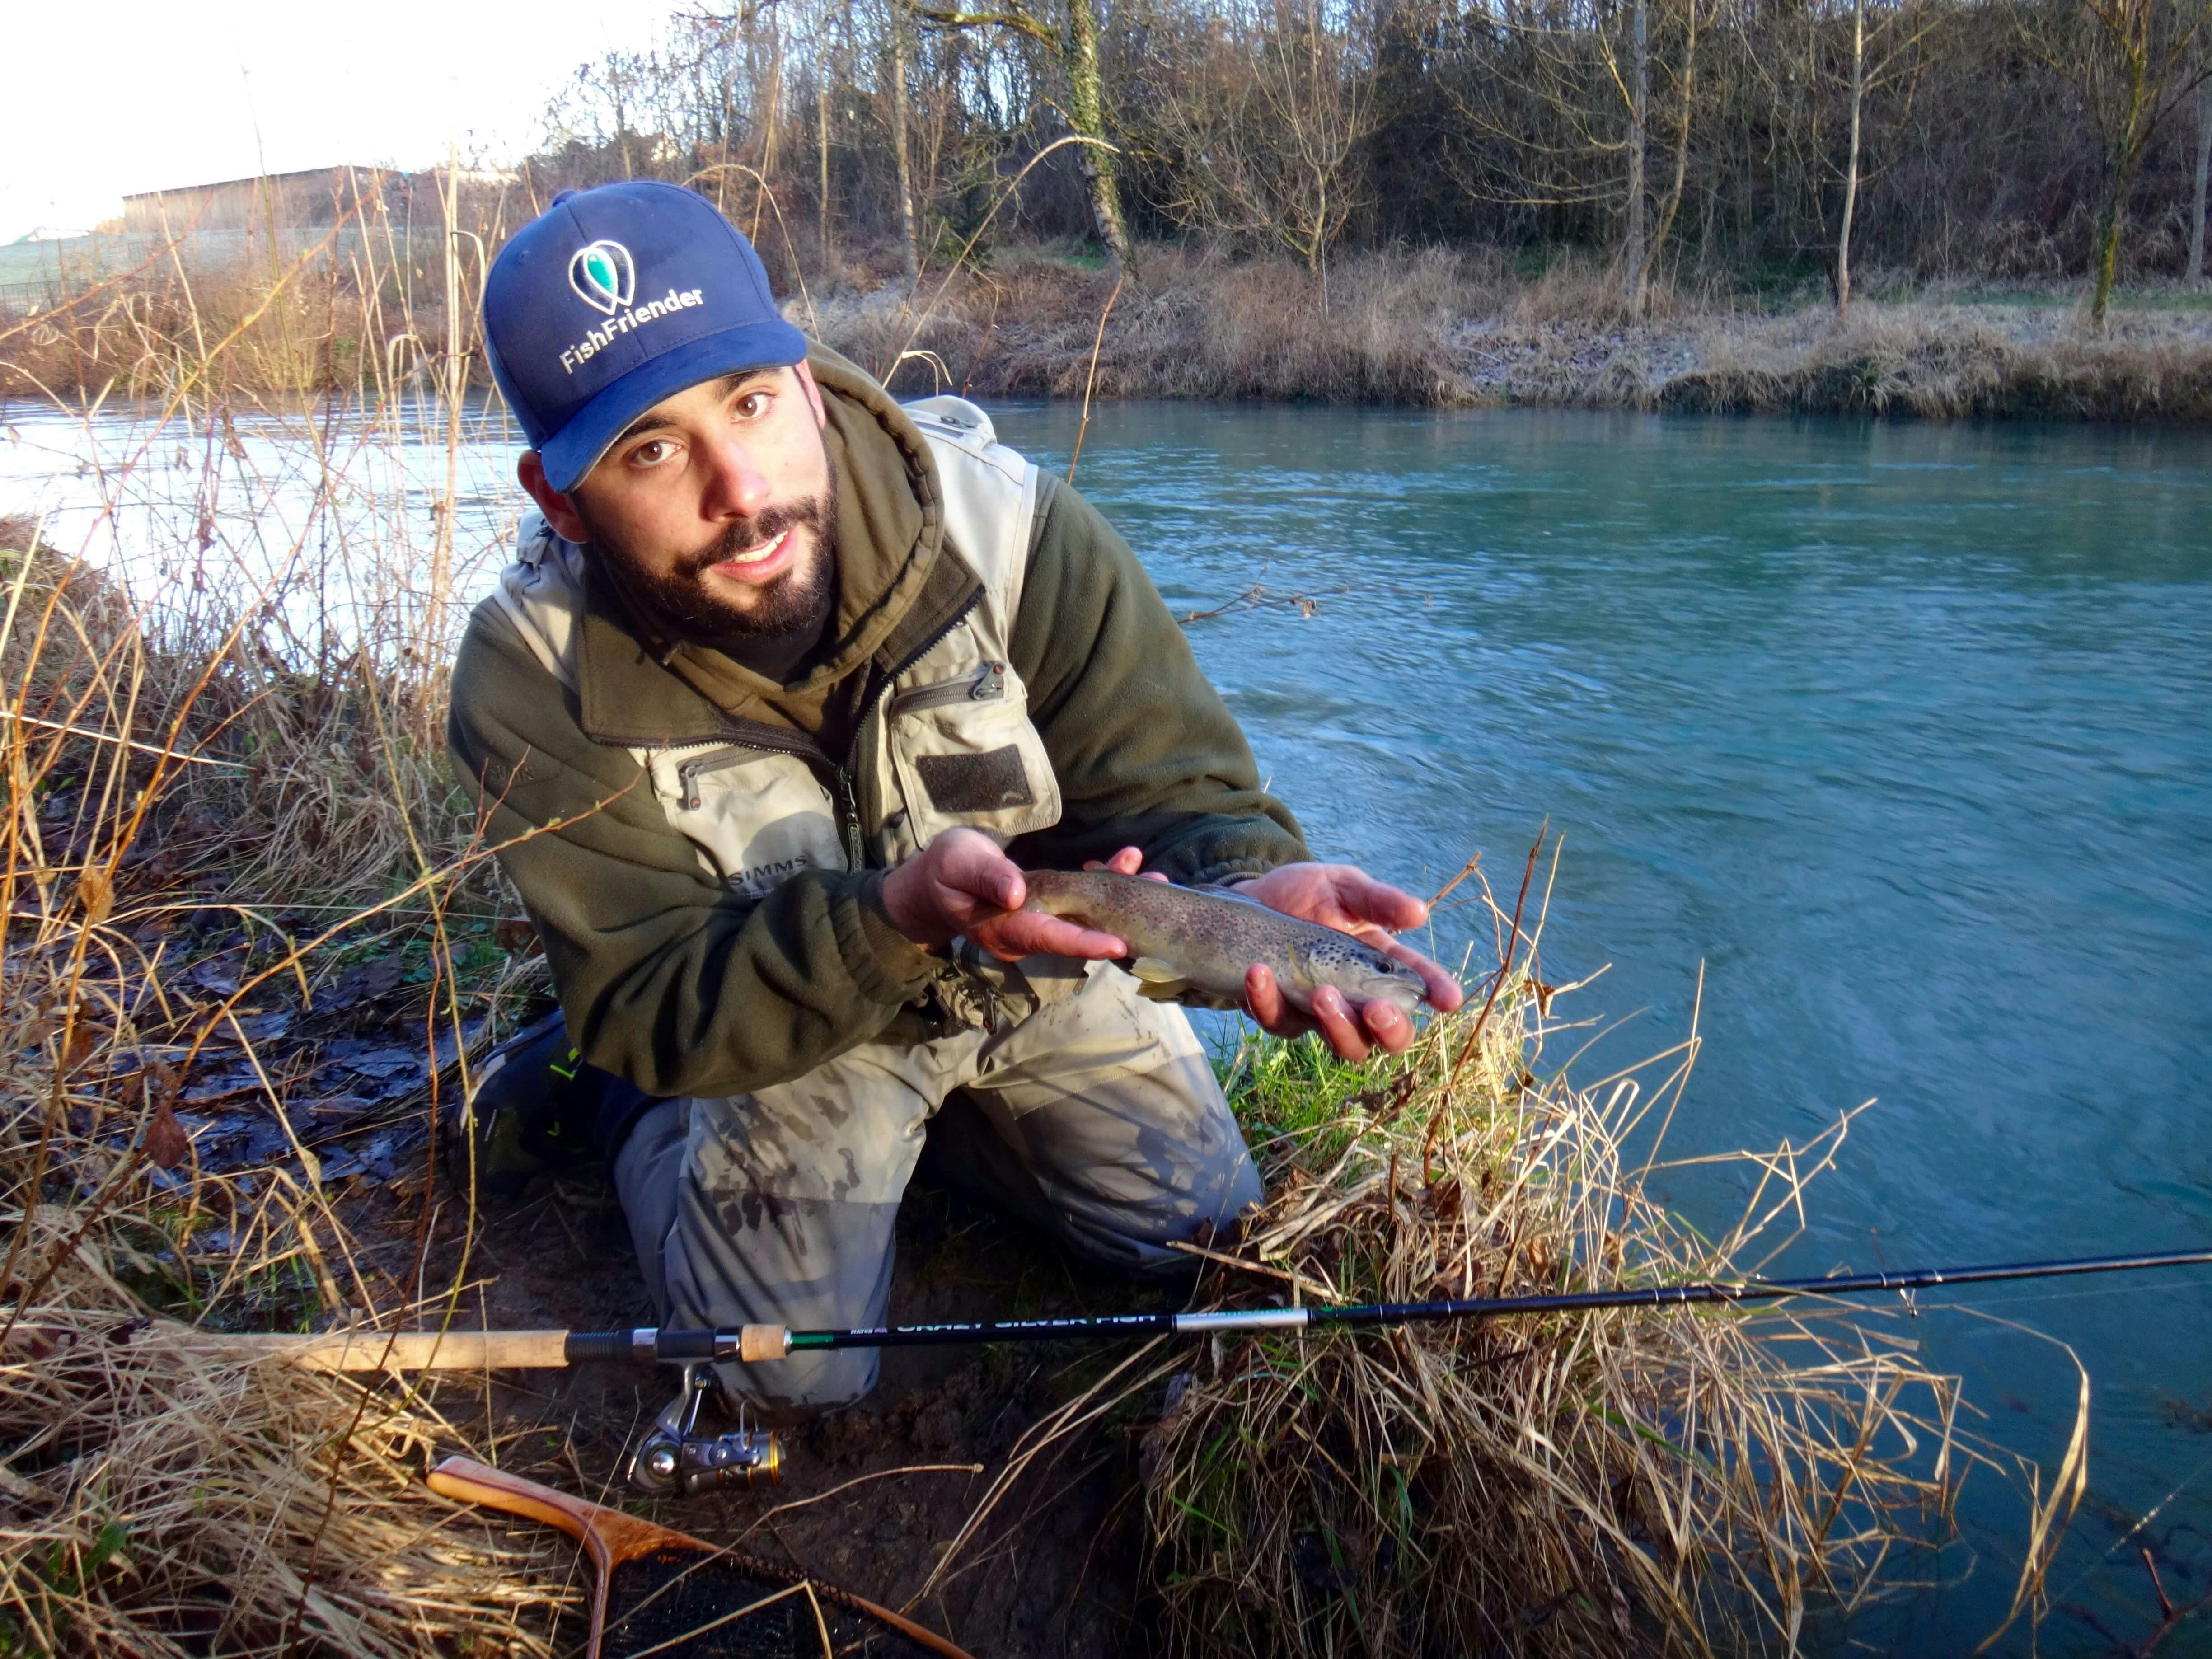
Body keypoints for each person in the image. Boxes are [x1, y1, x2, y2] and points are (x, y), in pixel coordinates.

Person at [447, 180, 1463, 1417]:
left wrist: (1245, 885)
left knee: (1205, 1249)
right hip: (782, 1030)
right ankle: (627, 1120)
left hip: (1030, 978)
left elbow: (1177, 791)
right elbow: (655, 992)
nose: (739, 489)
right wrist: (890, 919)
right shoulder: (530, 675)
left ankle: (945, 1137)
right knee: (790, 1378)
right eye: (650, 450)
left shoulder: (1014, 528)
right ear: (561, 500)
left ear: (808, 387)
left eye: (753, 404)